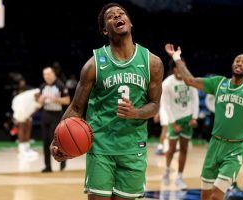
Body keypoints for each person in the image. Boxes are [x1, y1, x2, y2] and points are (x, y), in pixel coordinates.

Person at [50, 3, 164, 199]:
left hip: (132, 147)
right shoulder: (94, 64)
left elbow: (154, 106)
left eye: (122, 14)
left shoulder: (152, 62)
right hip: (101, 146)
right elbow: (77, 107)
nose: (118, 16)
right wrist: (57, 140)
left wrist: (135, 112)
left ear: (130, 22)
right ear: (105, 30)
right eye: (111, 17)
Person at [165, 43, 243, 200]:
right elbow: (189, 80)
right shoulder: (218, 83)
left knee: (217, 195)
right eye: (237, 60)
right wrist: (176, 57)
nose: (239, 63)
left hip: (235, 149)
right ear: (232, 64)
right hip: (214, 146)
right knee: (205, 196)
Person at [161, 60, 199, 189]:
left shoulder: (190, 80)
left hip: (187, 118)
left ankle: (179, 177)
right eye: (178, 67)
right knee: (171, 149)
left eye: (183, 66)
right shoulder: (167, 84)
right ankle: (166, 170)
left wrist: (194, 117)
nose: (181, 69)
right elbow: (165, 105)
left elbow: (195, 99)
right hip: (175, 120)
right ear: (174, 69)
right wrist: (172, 123)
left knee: (184, 149)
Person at [37, 67, 70, 172]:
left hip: (57, 115)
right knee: (45, 141)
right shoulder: (42, 87)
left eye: (48, 74)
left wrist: (55, 99)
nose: (47, 76)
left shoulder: (60, 85)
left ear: (53, 74)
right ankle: (48, 166)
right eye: (45, 75)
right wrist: (41, 100)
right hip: (46, 114)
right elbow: (39, 103)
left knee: (57, 141)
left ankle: (62, 162)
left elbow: (67, 100)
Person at [12, 88, 42, 160]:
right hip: (19, 105)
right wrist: (25, 117)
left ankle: (26, 147)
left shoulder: (40, 101)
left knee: (28, 125)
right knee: (22, 126)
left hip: (26, 108)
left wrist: (29, 117)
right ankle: (22, 150)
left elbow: (35, 109)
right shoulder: (35, 93)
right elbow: (23, 109)